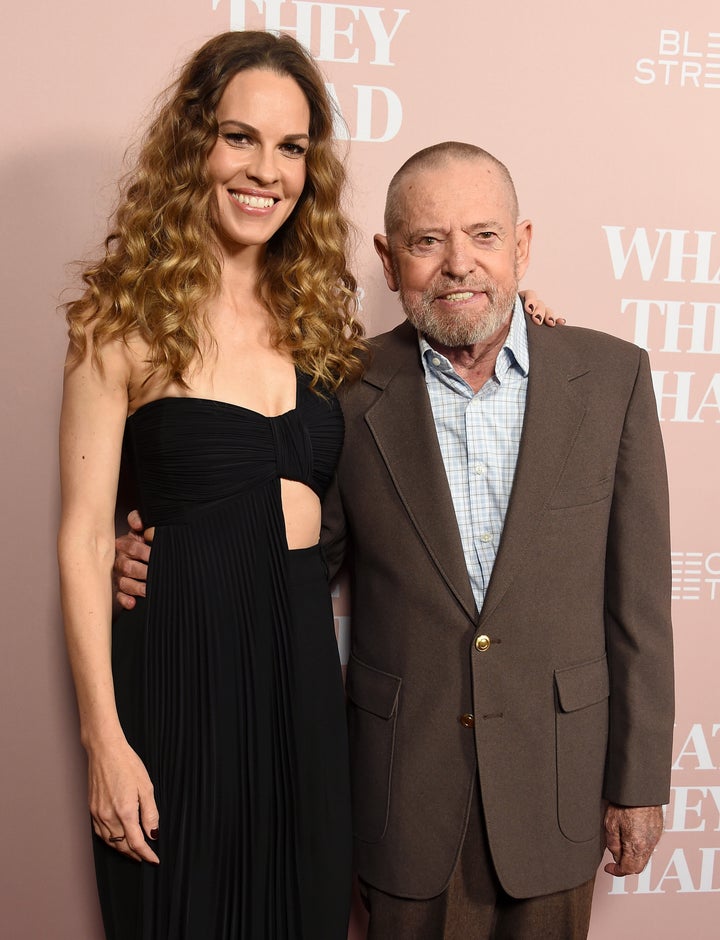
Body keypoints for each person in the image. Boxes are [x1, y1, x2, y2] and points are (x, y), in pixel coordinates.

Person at [58, 30, 366, 940]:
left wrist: (528, 317)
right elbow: (82, 538)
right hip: (178, 678)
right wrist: (102, 742)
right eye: (240, 137)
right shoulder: (119, 321)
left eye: (291, 147)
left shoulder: (320, 319)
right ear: (194, 143)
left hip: (303, 680)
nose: (264, 170)